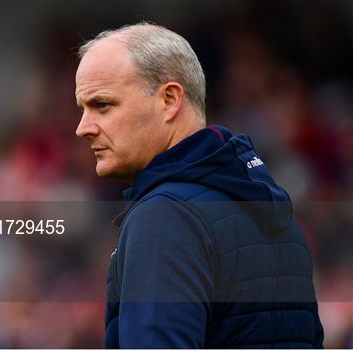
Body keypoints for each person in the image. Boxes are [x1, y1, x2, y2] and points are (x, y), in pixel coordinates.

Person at [75, 23, 324, 348]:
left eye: (103, 105)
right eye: (83, 109)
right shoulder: (273, 209)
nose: (83, 128)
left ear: (169, 99)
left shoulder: (164, 216)